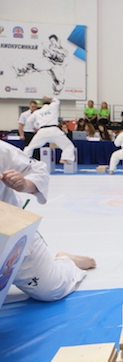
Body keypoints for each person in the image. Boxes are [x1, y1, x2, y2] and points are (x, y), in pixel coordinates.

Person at [0, 141, 95, 301]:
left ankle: (66, 263)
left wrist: (24, 184)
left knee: (51, 288)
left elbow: (37, 170)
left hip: (8, 231)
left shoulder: (2, 151)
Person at [23, 96, 76, 164]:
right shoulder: (53, 107)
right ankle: (65, 158)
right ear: (50, 104)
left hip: (42, 131)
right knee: (68, 145)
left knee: (30, 147)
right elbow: (57, 100)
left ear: (42, 105)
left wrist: (35, 126)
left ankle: (23, 160)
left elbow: (28, 121)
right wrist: (48, 98)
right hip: (53, 130)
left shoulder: (37, 112)